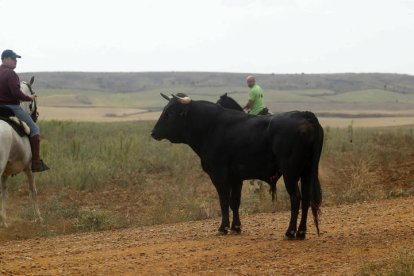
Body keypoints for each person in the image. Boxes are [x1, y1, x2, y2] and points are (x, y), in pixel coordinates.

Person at [0, 49, 49, 172]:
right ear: (5, 59)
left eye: (16, 59)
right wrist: (29, 97)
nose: (15, 61)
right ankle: (36, 163)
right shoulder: (11, 74)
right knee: (35, 129)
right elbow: (16, 93)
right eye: (13, 58)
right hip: (11, 107)